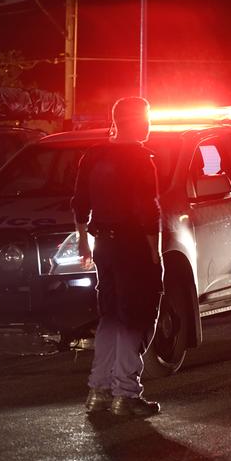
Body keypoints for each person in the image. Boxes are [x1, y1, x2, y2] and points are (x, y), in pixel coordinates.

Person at [72, 96, 164, 415]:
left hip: (104, 248)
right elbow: (146, 209)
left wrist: (84, 240)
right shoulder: (141, 159)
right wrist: (154, 252)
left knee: (110, 315)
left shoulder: (93, 156)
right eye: (147, 117)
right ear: (135, 121)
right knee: (136, 316)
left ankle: (98, 392)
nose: (149, 124)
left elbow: (80, 202)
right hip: (132, 247)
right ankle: (126, 393)